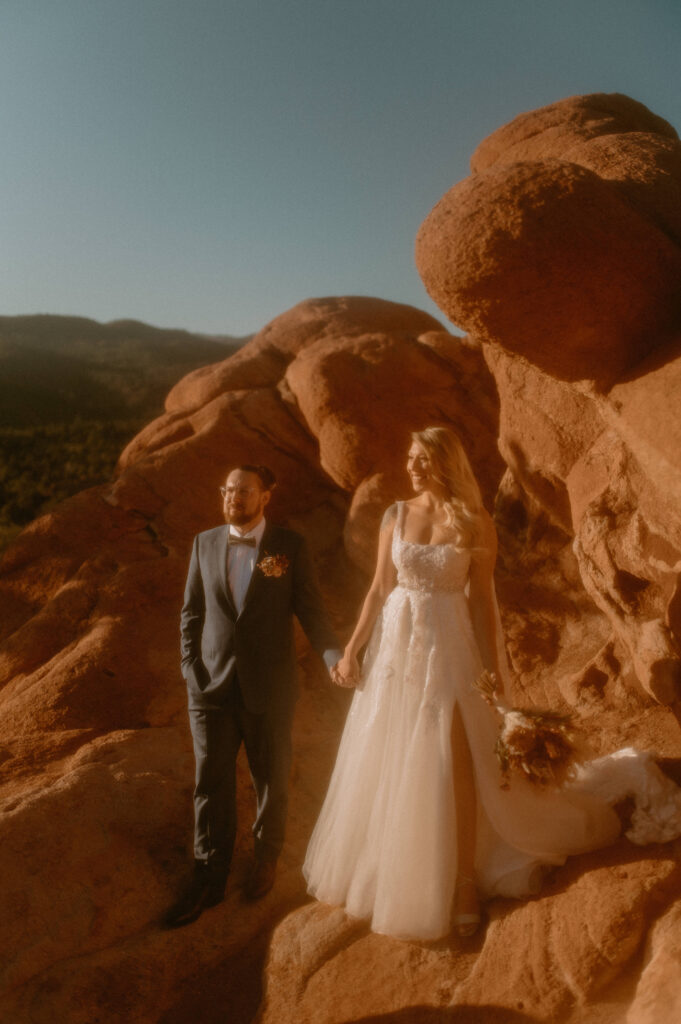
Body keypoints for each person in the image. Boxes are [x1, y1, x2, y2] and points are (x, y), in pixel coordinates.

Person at [304, 426, 681, 942]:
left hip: (450, 646)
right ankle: (397, 866)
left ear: (444, 460)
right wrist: (352, 651)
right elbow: (378, 589)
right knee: (395, 753)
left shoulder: (474, 521)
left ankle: (461, 882)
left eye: (422, 458)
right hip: (397, 647)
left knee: (456, 758)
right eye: (409, 457)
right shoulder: (395, 515)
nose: (412, 466)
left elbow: (481, 600)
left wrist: (491, 669)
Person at [165, 464, 341, 928]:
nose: (233, 498)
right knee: (211, 783)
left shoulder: (289, 546)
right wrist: (190, 669)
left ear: (266, 495)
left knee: (271, 777)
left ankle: (266, 856)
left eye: (243, 491)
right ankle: (209, 873)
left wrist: (334, 658)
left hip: (270, 687)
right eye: (227, 490)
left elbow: (312, 612)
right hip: (210, 689)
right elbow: (191, 613)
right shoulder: (204, 543)